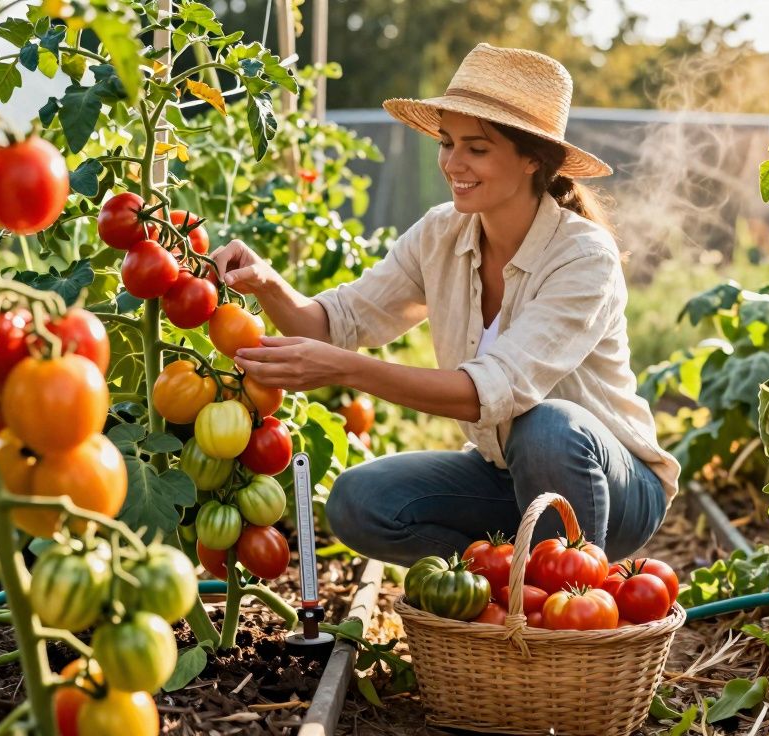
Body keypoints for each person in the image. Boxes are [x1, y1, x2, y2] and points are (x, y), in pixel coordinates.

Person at [212, 43, 680, 567]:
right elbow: (336, 322)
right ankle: (497, 586)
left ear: (532, 159)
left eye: (477, 149)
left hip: (612, 488)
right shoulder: (441, 233)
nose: (453, 163)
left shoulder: (582, 257)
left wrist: (345, 369)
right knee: (359, 502)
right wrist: (268, 283)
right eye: (447, 142)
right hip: (505, 473)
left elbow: (487, 395)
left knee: (545, 425)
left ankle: (567, 587)